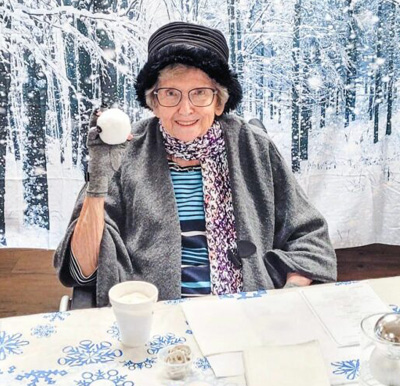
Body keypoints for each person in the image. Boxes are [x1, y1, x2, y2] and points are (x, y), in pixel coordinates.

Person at [54, 22, 337, 307]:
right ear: (153, 101)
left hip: (248, 311)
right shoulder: (125, 152)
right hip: (152, 317)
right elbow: (83, 270)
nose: (185, 109)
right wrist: (98, 181)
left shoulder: (254, 146)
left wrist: (287, 295)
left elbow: (310, 238)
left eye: (200, 92)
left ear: (219, 102)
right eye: (171, 93)